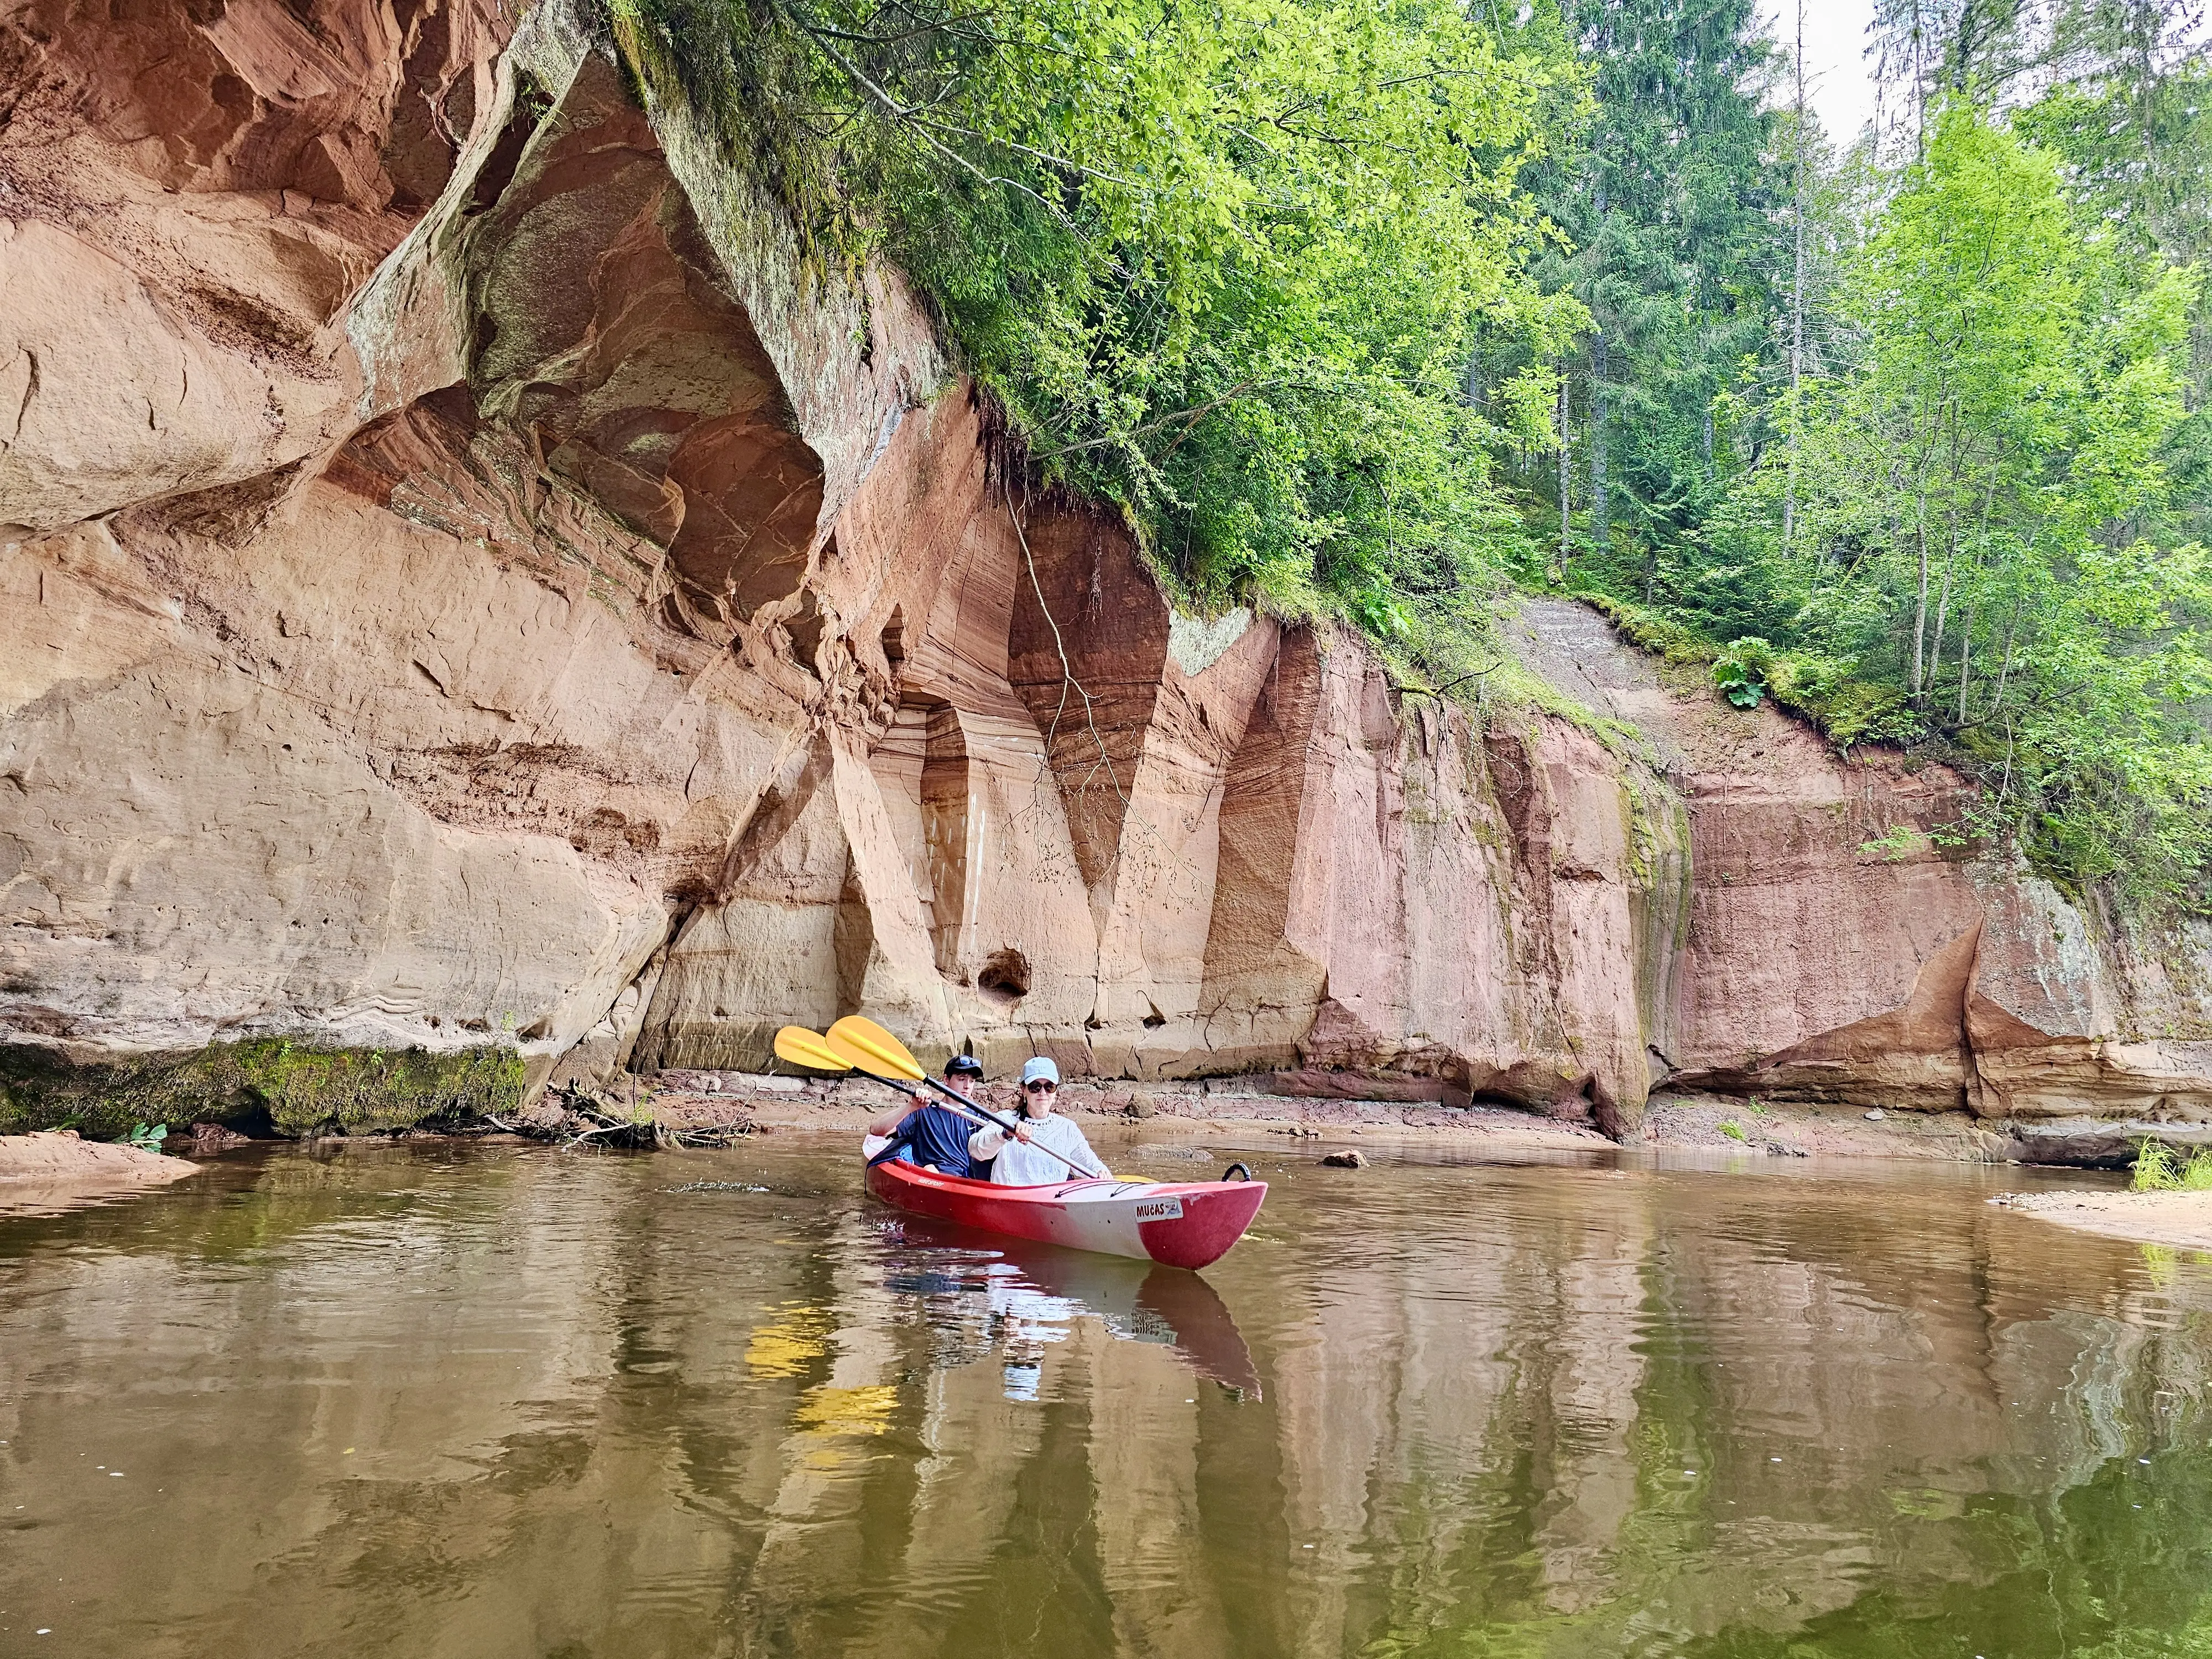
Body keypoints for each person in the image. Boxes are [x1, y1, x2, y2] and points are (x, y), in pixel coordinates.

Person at [966, 1057, 1109, 1184]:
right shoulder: (1005, 1119)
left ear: (1056, 1092)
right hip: (1010, 1202)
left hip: (1051, 1204)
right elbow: (975, 1150)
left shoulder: (1067, 1128)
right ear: (1023, 1089)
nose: (1043, 1093)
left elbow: (1090, 1164)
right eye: (1035, 1087)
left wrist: (1100, 1171)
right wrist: (1006, 1134)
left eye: (1049, 1087)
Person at [868, 1053, 985, 1177]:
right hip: (931, 1178)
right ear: (946, 1080)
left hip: (965, 1181)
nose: (967, 1086)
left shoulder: (979, 1117)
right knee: (930, 1169)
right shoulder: (923, 1110)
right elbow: (876, 1130)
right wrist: (911, 1106)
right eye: (962, 1079)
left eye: (972, 1081)